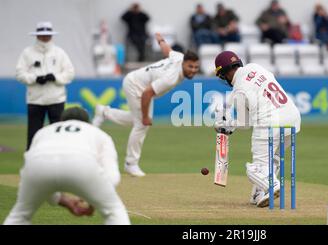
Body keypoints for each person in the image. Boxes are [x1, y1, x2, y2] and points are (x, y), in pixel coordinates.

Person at [92, 33, 200, 177]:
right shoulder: (170, 78)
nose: (193, 70)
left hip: (138, 82)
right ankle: (131, 164)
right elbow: (147, 94)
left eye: (196, 67)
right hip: (136, 86)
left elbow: (167, 50)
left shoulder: (178, 57)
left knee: (136, 119)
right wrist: (145, 117)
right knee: (142, 124)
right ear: (183, 63)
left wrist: (160, 39)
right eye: (190, 66)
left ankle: (104, 112)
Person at [3, 107, 130, 225]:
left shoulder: (44, 131)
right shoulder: (98, 134)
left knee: (19, 215)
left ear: (61, 121)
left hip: (37, 167)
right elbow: (112, 177)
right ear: (88, 123)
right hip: (81, 165)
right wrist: (94, 200)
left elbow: (35, 168)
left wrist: (62, 200)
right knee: (114, 211)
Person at [213, 51, 301, 208]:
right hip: (293, 118)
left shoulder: (239, 89)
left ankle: (273, 186)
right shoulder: (255, 67)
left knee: (254, 169)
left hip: (269, 124)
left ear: (224, 74)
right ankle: (258, 194)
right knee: (272, 159)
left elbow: (244, 123)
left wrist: (226, 126)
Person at [16, 21, 75, 150]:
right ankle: (31, 159)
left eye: (47, 35)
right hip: (35, 99)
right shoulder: (27, 53)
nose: (45, 37)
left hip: (56, 99)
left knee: (59, 131)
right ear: (37, 35)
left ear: (51, 36)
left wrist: (56, 77)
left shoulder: (59, 52)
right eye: (42, 35)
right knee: (34, 133)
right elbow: (20, 74)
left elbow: (70, 73)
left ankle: (60, 157)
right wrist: (35, 78)